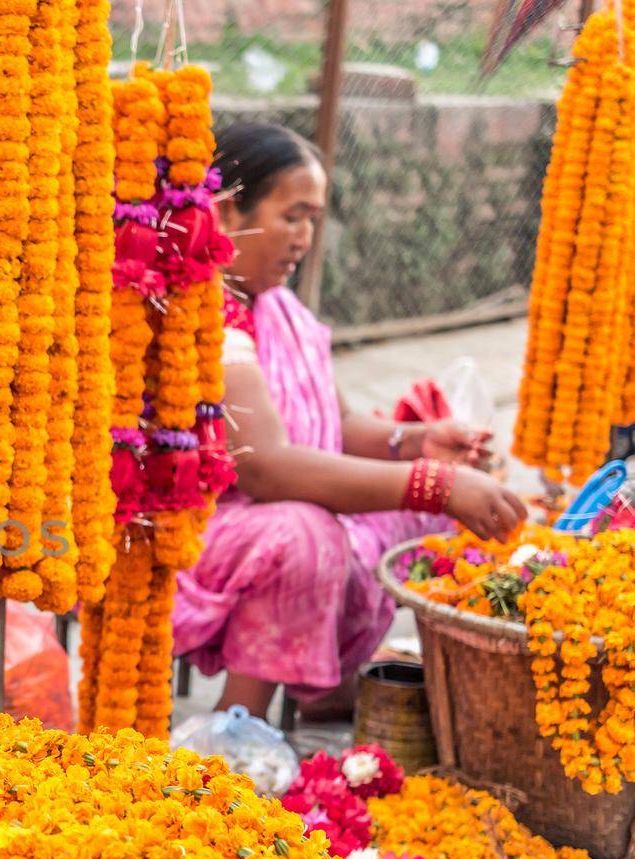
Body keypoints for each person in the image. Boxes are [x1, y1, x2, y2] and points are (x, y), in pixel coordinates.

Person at [173, 123, 526, 718]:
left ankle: (328, 687)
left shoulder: (281, 308)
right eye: (293, 217)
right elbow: (265, 469)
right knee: (305, 534)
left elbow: (336, 421)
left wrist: (419, 442)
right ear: (230, 213)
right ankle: (239, 733)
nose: (306, 238)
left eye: (314, 219)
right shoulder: (201, 312)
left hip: (279, 507)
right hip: (198, 528)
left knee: (407, 516)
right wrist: (436, 485)